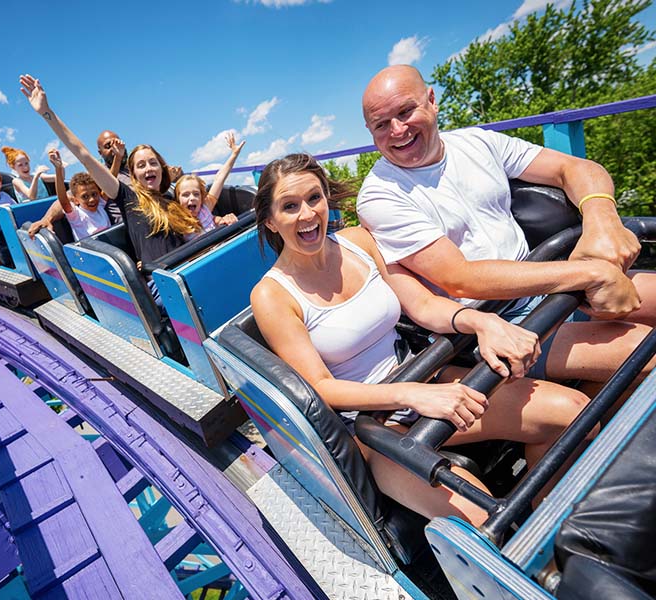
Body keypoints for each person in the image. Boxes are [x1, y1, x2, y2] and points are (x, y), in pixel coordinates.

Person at [251, 153, 595, 525]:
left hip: (425, 375)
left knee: (572, 411)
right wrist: (408, 394)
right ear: (270, 220)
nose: (307, 214)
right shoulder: (272, 295)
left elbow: (421, 305)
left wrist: (478, 321)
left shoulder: (357, 243)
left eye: (314, 198)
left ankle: (557, 528)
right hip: (374, 426)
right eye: (289, 206)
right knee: (484, 520)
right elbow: (321, 387)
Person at [357, 65, 656, 387]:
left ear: (431, 100)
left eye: (405, 111)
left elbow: (572, 167)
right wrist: (591, 274)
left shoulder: (476, 143)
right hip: (497, 319)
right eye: (381, 125)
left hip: (549, 277)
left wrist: (601, 221)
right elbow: (460, 278)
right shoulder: (380, 196)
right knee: (644, 353)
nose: (398, 130)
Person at [19, 74, 198, 265]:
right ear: (135, 174)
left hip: (190, 265)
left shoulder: (170, 198)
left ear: (161, 168)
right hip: (164, 277)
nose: (148, 169)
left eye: (153, 163)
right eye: (141, 165)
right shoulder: (128, 196)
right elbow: (83, 155)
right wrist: (48, 113)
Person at [175, 132, 244, 239]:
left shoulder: (205, 208)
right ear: (178, 199)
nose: (192, 198)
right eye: (186, 195)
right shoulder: (178, 222)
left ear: (202, 197)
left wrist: (234, 154)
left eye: (196, 194)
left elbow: (219, 179)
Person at [48, 148, 109, 239]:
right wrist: (58, 168)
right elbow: (63, 200)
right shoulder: (76, 215)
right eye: (85, 196)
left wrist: (118, 158)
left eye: (94, 194)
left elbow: (111, 183)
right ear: (76, 200)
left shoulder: (100, 204)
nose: (91, 199)